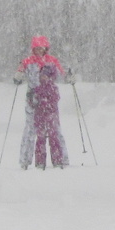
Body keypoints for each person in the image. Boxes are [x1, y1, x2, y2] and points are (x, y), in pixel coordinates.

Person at [12, 36, 76, 169]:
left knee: (55, 129)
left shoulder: (52, 61)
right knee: (30, 129)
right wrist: (18, 76)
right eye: (37, 48)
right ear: (33, 48)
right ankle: (25, 160)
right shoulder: (27, 62)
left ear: (46, 48)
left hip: (49, 99)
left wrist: (69, 77)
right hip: (33, 99)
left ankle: (62, 159)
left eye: (42, 48)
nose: (40, 51)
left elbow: (62, 74)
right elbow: (19, 73)